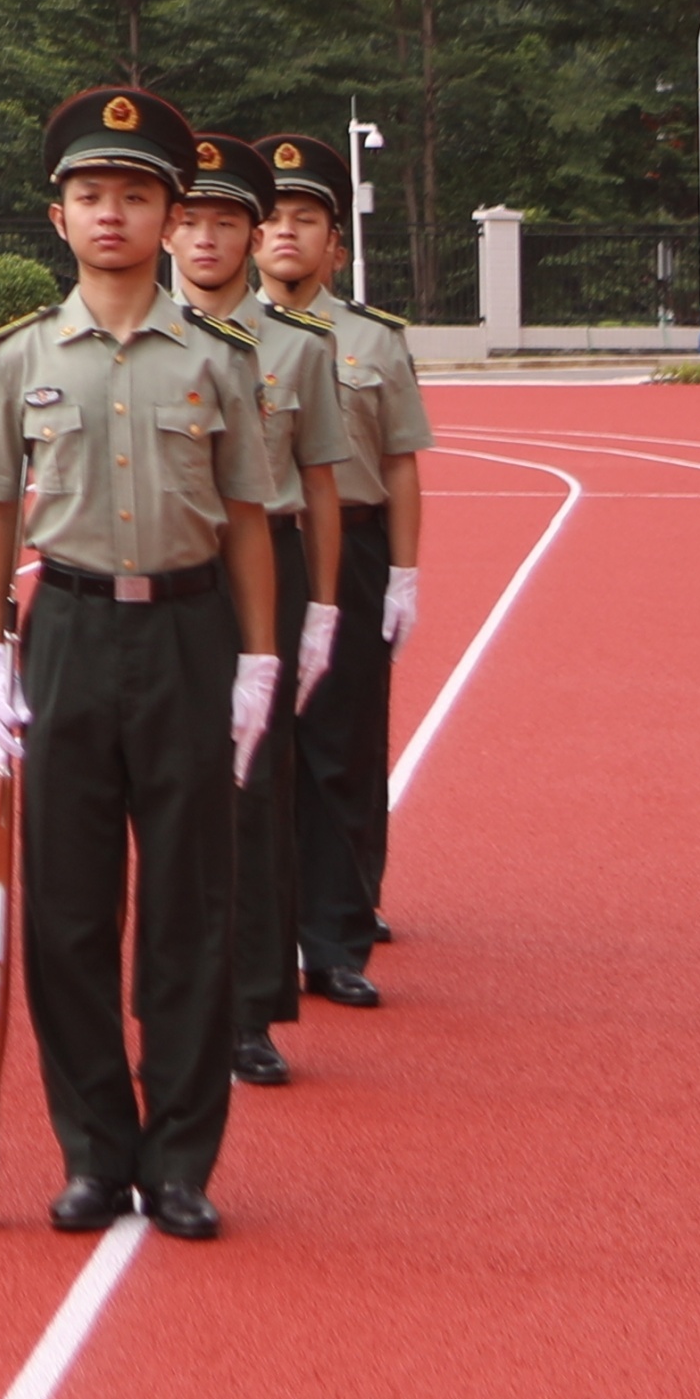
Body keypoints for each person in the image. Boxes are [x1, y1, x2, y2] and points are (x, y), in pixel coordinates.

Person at [0, 88, 294, 1242]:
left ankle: (183, 1158)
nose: (114, 213)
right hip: (68, 632)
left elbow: (250, 516)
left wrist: (260, 662)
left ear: (169, 213)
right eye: (91, 194)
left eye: (137, 195)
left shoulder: (220, 357)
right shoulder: (17, 361)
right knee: (65, 909)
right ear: (58, 217)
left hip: (191, 635)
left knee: (192, 906)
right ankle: (95, 1150)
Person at [168, 131, 345, 1092]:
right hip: (164, 567)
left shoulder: (300, 349)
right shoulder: (132, 331)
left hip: (261, 573)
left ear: (249, 233)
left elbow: (319, 487)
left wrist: (319, 609)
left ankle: (250, 1009)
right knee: (162, 797)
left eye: (224, 222)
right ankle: (170, 997)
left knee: (254, 794)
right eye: (188, 220)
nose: (205, 240)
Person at [254, 133, 433, 1010]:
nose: (288, 233)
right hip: (254, 551)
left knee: (343, 745)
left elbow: (400, 460)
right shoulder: (214, 337)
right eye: (273, 217)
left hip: (352, 549)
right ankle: (264, 926)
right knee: (257, 747)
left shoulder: (374, 340)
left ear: (337, 245)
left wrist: (403, 571)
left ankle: (335, 937)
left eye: (307, 219)